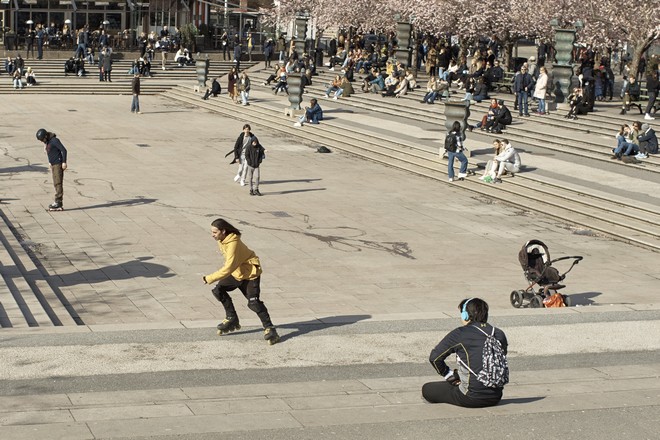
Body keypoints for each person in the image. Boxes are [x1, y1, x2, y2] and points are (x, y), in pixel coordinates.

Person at [203, 218, 280, 345]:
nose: (212, 235)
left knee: (253, 303)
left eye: (215, 232)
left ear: (223, 231)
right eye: (212, 232)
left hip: (250, 274)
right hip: (237, 272)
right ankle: (231, 318)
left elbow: (228, 267)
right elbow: (231, 265)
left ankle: (270, 328)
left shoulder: (233, 243)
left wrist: (209, 278)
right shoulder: (222, 240)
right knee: (218, 290)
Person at [422, 298, 508, 407]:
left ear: (465, 315)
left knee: (427, 389)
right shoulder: (499, 333)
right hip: (495, 396)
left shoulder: (460, 333)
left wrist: (449, 375)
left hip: (469, 397)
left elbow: (434, 358)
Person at [36, 128, 68, 211]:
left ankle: (58, 202)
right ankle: (57, 201)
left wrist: (64, 162)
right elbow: (50, 152)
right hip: (53, 164)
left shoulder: (54, 141)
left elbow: (64, 150)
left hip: (58, 164)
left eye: (42, 139)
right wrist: (50, 162)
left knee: (58, 183)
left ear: (46, 136)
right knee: (55, 183)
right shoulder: (47, 141)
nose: (42, 141)